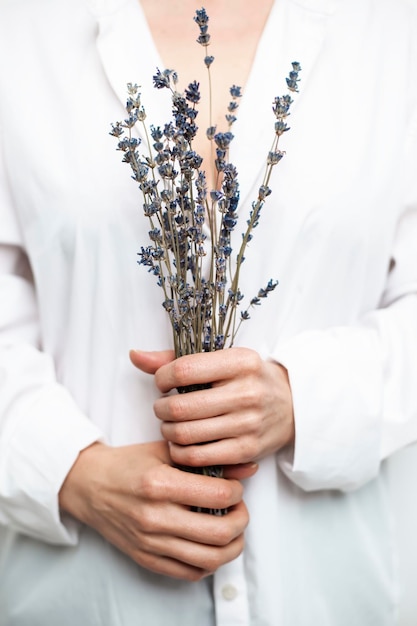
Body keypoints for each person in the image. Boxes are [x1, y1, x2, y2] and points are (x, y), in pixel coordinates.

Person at [0, 0, 416, 624]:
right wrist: (71, 473)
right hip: (89, 596)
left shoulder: (393, 31)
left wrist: (304, 397)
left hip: (331, 592)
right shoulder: (21, 32)